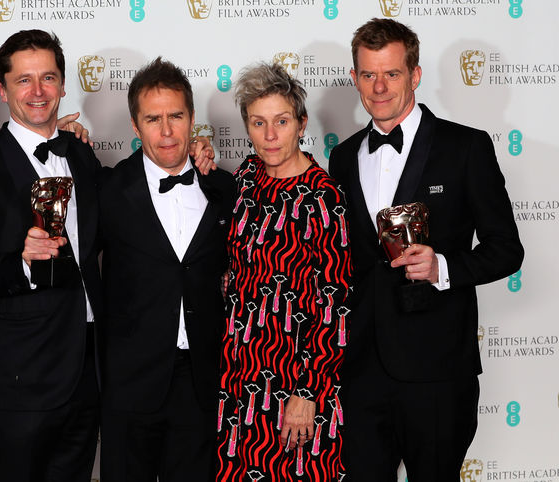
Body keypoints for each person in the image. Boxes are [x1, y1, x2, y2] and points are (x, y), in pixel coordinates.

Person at [328, 18, 523, 481]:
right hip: (360, 369)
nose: (379, 87)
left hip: (437, 372)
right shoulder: (342, 156)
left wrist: (444, 267)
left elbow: (507, 250)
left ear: (414, 75)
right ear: (354, 77)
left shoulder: (466, 147)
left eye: (391, 74)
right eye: (368, 74)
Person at [0, 30, 103, 482]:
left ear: (62, 85)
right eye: (23, 80)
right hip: (20, 375)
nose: (37, 92)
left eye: (48, 78)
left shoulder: (81, 155)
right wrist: (20, 262)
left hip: (89, 367)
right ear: (2, 90)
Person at [97, 57, 237, 482]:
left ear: (192, 120)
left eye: (176, 116)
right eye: (152, 119)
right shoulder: (107, 190)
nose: (166, 130)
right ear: (135, 127)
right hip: (129, 385)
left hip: (202, 383)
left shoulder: (225, 187)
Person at [215, 62, 351, 481]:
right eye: (258, 123)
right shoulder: (246, 177)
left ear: (301, 123)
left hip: (297, 379)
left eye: (281, 121)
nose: (270, 135)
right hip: (239, 376)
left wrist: (309, 393)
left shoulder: (324, 197)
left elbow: (336, 302)